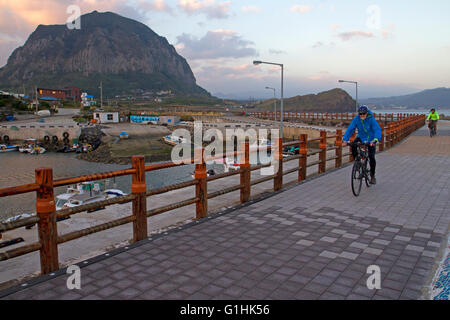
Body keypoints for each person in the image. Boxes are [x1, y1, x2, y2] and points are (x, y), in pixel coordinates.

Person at [342, 105, 381, 185]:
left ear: (367, 113)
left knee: (371, 156)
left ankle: (372, 176)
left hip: (371, 139)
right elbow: (350, 129)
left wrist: (375, 140)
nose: (362, 116)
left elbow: (377, 129)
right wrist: (345, 140)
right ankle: (357, 162)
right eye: (360, 114)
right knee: (353, 145)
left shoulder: (371, 119)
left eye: (363, 114)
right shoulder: (356, 119)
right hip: (361, 137)